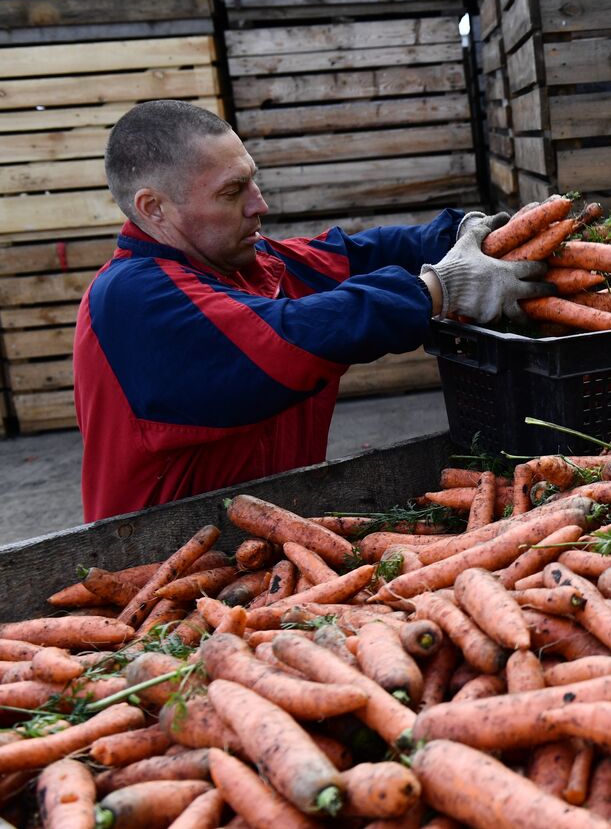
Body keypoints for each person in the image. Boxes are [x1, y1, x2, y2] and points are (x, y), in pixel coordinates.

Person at [74, 100, 552, 522]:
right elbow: (285, 340)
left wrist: (470, 234)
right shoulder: (131, 299)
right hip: (166, 569)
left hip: (270, 543)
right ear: (153, 208)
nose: (258, 204)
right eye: (231, 191)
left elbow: (357, 255)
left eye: (253, 181)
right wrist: (437, 288)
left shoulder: (249, 265)